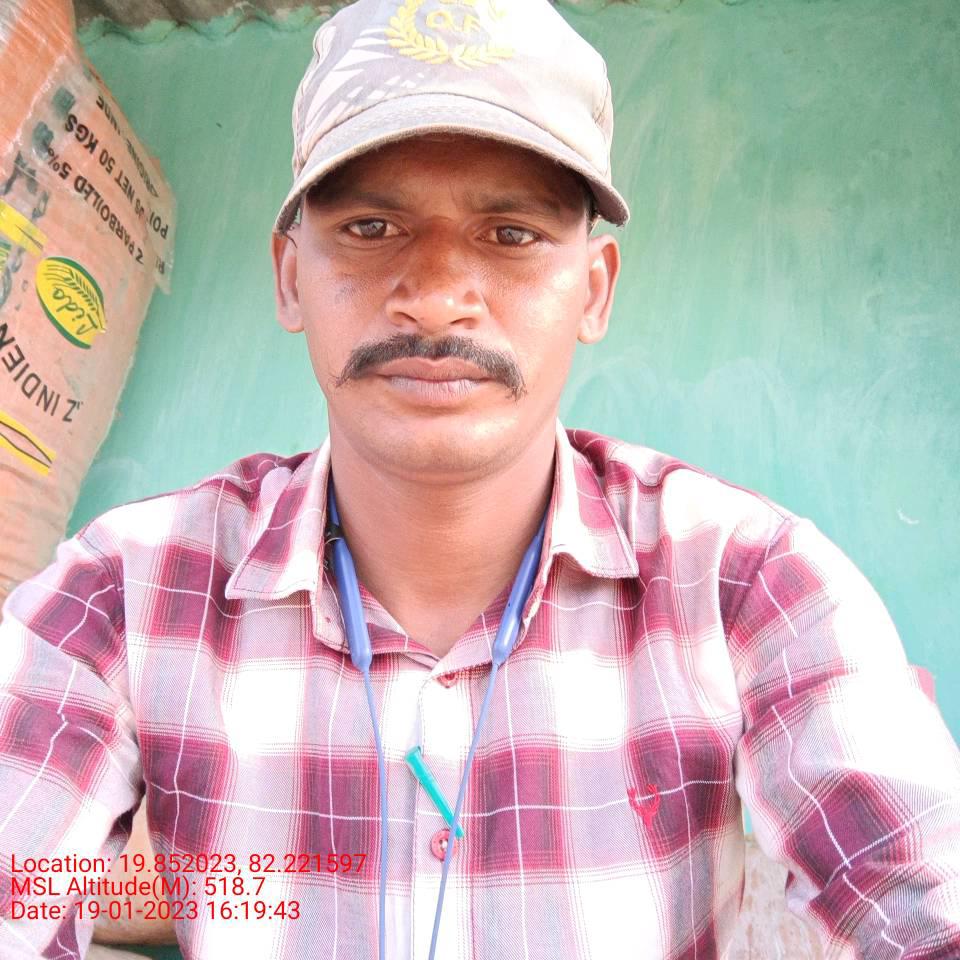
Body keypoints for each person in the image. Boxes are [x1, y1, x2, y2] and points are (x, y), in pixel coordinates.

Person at [2, 0, 959, 956]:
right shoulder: (122, 592)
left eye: (510, 235)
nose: (435, 297)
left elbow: (921, 900)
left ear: (594, 291)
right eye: (372, 225)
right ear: (290, 277)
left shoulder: (749, 580)